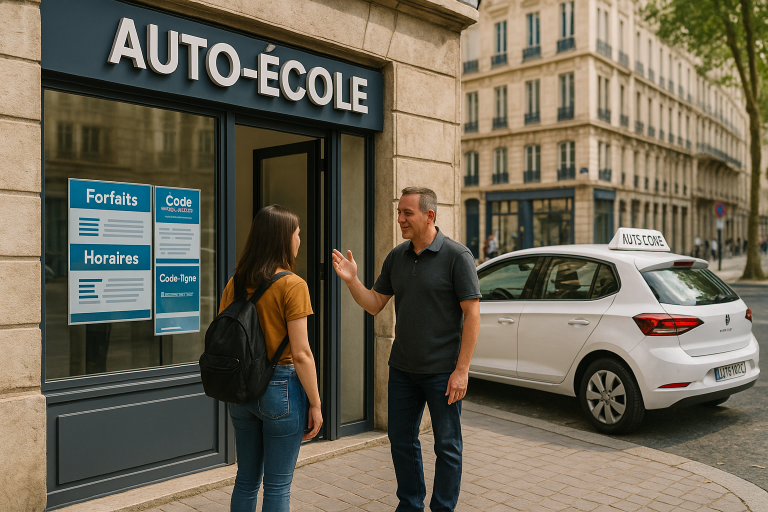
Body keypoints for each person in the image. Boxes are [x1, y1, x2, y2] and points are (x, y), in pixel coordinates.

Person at [332, 187, 481, 512]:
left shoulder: (458, 257)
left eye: (407, 213)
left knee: (447, 446)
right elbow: (375, 304)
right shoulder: (397, 256)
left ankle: (442, 508)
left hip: (443, 373)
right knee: (401, 440)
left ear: (429, 215)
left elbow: (472, 315)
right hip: (402, 369)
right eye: (399, 212)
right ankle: (410, 505)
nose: (400, 219)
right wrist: (352, 281)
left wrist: (461, 370)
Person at [218, 205, 322, 512]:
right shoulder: (293, 285)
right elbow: (302, 353)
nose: (299, 239)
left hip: (240, 389)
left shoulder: (235, 282)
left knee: (246, 479)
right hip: (280, 387)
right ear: (283, 239)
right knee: (277, 485)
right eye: (297, 233)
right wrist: (315, 403)